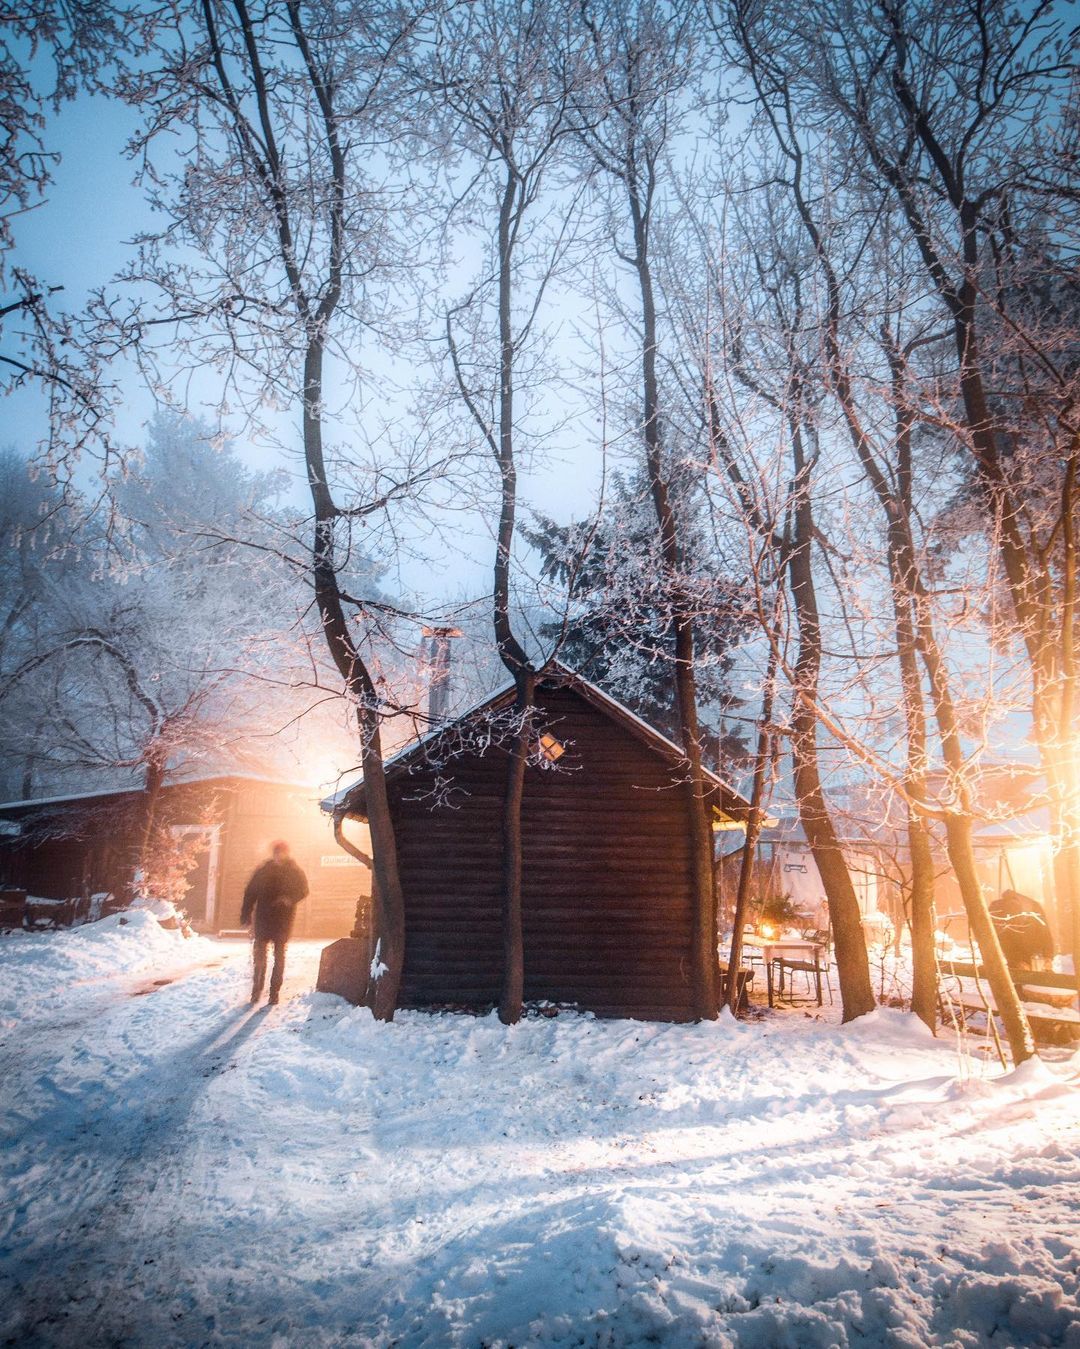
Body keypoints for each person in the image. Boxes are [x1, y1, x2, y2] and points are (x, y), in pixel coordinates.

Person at [240, 840, 309, 1005]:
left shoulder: (294, 871)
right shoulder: (263, 870)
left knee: (279, 957)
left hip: (283, 919)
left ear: (287, 853)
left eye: (282, 852)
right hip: (263, 918)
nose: (279, 856)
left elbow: (304, 890)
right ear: (274, 853)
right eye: (277, 852)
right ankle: (256, 990)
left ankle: (274, 993)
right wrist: (246, 914)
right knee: (259, 956)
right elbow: (250, 892)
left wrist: (289, 899)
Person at [989, 888, 1054, 970]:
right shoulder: (998, 912)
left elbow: (1046, 934)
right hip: (1016, 954)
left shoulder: (1034, 908)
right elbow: (1003, 941)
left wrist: (1048, 957)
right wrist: (1016, 961)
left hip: (1036, 957)